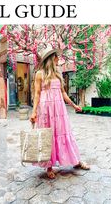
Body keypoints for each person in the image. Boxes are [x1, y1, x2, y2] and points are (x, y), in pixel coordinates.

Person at [30, 45, 89, 179]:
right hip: (46, 110)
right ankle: (49, 166)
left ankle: (76, 161)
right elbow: (37, 94)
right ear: (51, 58)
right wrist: (34, 112)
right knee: (47, 136)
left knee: (65, 134)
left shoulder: (58, 73)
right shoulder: (39, 74)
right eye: (56, 56)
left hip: (59, 109)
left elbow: (63, 93)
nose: (58, 58)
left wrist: (74, 105)